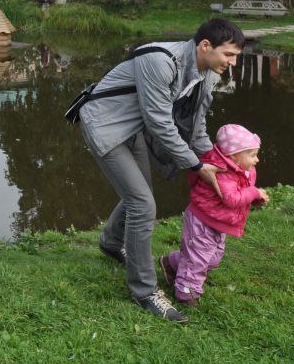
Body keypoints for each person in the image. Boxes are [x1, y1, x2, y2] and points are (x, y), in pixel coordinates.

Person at [77, 18, 244, 323]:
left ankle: (111, 243)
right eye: (228, 55)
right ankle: (144, 291)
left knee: (141, 196)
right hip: (104, 124)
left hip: (134, 128)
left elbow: (196, 127)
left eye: (235, 57)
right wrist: (195, 165)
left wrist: (218, 163)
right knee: (142, 204)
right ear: (205, 46)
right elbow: (159, 122)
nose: (232, 63)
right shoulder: (160, 60)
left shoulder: (207, 76)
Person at [160, 124, 269, 305]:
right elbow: (231, 198)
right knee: (198, 260)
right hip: (202, 222)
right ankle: (186, 294)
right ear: (234, 156)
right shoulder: (223, 172)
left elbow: (242, 191)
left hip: (218, 222)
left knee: (213, 258)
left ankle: (172, 263)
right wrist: (254, 193)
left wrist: (253, 198)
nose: (256, 160)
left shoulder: (243, 169)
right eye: (252, 155)